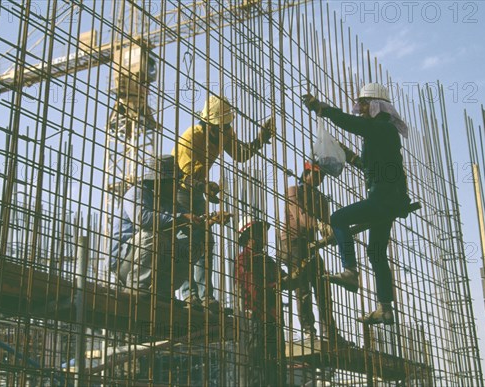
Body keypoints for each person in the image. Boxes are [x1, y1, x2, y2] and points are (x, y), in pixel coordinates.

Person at [302, 83, 412, 325]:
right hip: (387, 199)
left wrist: (323, 109)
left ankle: (350, 271)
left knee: (338, 218)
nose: (360, 109)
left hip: (382, 200)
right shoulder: (381, 134)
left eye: (363, 104)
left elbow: (354, 124)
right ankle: (385, 308)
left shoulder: (382, 128)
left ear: (376, 106)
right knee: (376, 252)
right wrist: (348, 154)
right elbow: (371, 166)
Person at [172, 95, 275, 309]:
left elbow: (240, 154)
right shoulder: (191, 138)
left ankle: (204, 295)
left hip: (197, 190)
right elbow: (187, 177)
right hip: (179, 190)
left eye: (227, 126)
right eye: (221, 127)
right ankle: (188, 294)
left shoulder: (224, 133)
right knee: (186, 238)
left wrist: (260, 139)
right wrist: (207, 187)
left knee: (205, 241)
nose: (225, 131)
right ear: (208, 124)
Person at [110, 155, 230, 301]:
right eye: (175, 181)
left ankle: (163, 292)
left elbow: (187, 225)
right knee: (152, 233)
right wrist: (180, 217)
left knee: (195, 245)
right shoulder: (137, 192)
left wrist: (206, 222)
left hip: (149, 259)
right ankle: (137, 286)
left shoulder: (167, 200)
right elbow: (143, 218)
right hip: (124, 262)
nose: (178, 186)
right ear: (162, 180)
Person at [279, 161, 350, 346]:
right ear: (306, 174)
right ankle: (309, 331)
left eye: (323, 177)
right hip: (293, 242)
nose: (320, 179)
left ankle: (330, 332)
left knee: (323, 284)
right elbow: (301, 217)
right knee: (302, 288)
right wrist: (319, 224)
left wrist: (331, 231)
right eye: (317, 175)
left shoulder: (321, 199)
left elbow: (327, 223)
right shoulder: (294, 191)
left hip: (310, 245)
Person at [236, 216, 287, 386]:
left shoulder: (266, 260)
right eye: (261, 233)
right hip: (257, 318)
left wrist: (293, 275)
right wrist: (276, 284)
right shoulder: (244, 259)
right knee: (258, 367)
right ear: (250, 235)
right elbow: (253, 290)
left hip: (272, 319)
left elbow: (284, 278)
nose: (265, 238)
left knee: (276, 366)